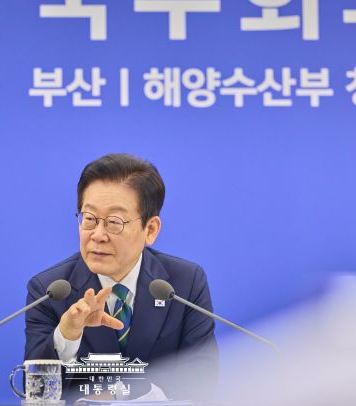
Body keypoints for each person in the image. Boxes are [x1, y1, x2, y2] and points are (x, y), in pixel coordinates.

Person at [24, 153, 218, 400]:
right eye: (89, 219)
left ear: (150, 229)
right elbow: (38, 395)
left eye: (114, 222)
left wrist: (128, 397)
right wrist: (66, 335)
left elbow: (202, 378)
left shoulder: (184, 283)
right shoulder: (50, 291)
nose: (98, 235)